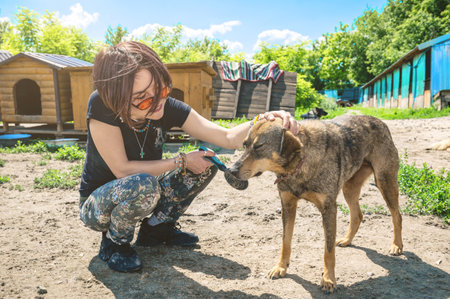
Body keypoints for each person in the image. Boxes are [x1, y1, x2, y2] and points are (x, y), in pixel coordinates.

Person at [79, 41, 299, 273]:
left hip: (142, 187)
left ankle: (157, 229)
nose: (157, 102)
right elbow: (122, 170)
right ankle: (115, 243)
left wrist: (262, 120)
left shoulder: (166, 107)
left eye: (162, 90)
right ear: (116, 98)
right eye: (143, 98)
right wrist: (182, 160)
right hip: (98, 207)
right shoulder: (102, 105)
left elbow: (226, 137)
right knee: (142, 183)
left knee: (204, 163)